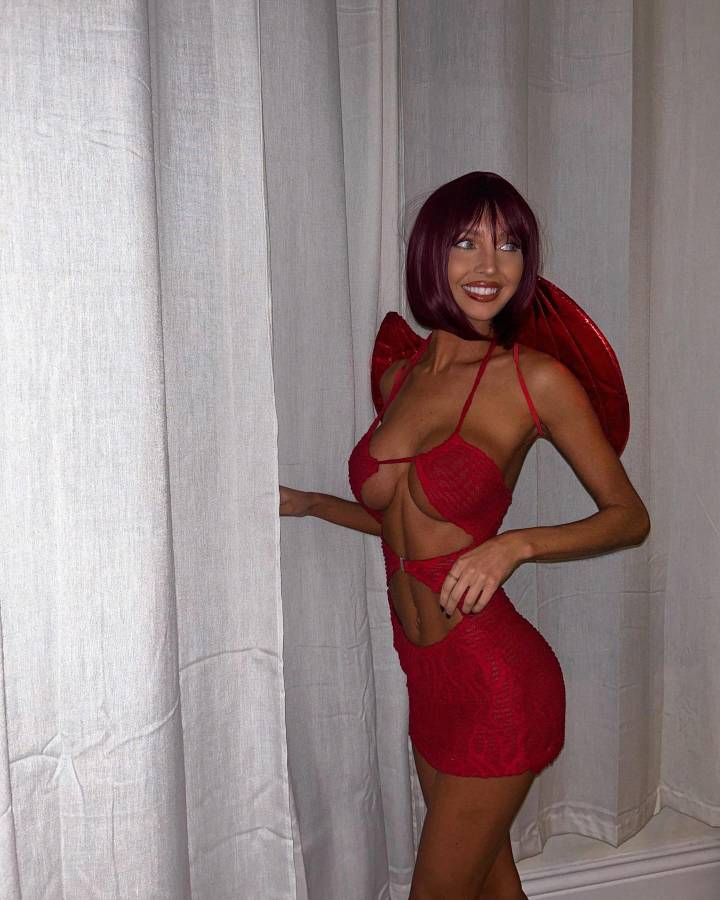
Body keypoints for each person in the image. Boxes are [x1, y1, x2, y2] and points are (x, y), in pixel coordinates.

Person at [279, 171, 650, 900]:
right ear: (430, 253)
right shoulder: (402, 376)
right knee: (491, 888)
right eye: (465, 242)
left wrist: (514, 545)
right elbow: (408, 528)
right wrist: (315, 504)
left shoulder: (535, 380)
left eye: (509, 245)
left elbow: (628, 516)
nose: (490, 265)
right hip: (429, 676)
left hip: (496, 680)